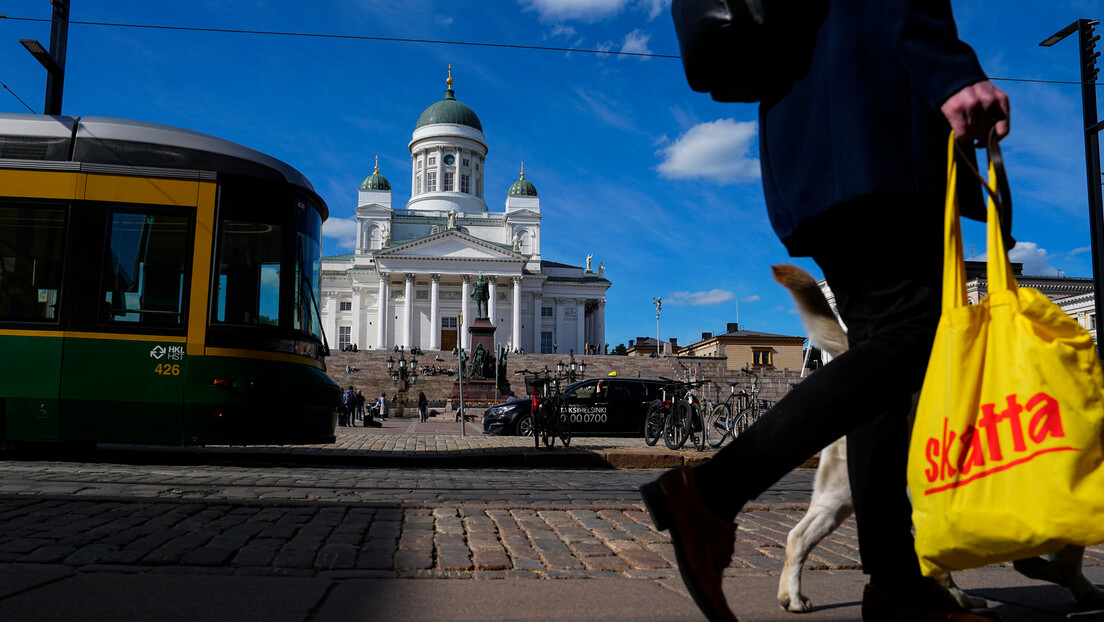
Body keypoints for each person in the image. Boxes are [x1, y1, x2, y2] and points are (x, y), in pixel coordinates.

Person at [641, 4, 1010, 622]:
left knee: (879, 371)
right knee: (916, 334)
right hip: (877, 122)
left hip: (811, 134)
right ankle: (710, 492)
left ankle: (895, 586)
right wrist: (949, 70)